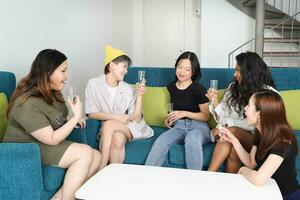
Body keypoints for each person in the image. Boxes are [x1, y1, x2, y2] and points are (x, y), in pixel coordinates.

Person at [3, 49, 101, 200]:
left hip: (42, 143)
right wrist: (75, 118)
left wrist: (72, 119)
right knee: (85, 153)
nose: (66, 76)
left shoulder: (53, 93)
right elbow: (52, 138)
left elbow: (57, 121)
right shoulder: (27, 102)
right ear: (48, 72)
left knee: (97, 156)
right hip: (25, 150)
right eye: (63, 71)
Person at [220, 90, 300, 200]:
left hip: (284, 196)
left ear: (259, 114)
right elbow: (251, 163)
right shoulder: (260, 133)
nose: (245, 108)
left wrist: (242, 170)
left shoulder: (282, 143)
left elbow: (259, 179)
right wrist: (234, 140)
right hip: (266, 192)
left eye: (249, 105)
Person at [85, 45, 154, 170]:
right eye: (124, 66)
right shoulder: (93, 84)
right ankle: (114, 177)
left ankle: (101, 169)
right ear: (111, 65)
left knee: (109, 125)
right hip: (112, 130)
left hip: (131, 126)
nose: (126, 71)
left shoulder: (128, 88)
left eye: (127, 67)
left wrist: (139, 96)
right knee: (117, 138)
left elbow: (137, 119)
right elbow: (91, 113)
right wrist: (116, 117)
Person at [207, 51, 276, 173]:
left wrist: (226, 127)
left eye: (238, 71)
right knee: (234, 150)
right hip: (237, 139)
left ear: (250, 73)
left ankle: (209, 174)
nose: (235, 74)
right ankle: (233, 188)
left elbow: (261, 126)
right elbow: (224, 118)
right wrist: (215, 103)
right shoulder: (233, 89)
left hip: (259, 141)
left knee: (231, 130)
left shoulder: (268, 95)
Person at [145, 51, 210, 170]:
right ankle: (147, 176)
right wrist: (168, 120)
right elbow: (173, 111)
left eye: (187, 69)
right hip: (179, 127)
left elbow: (206, 116)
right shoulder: (171, 87)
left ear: (193, 72)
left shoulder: (199, 89)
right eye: (179, 67)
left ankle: (194, 182)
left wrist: (185, 113)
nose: (182, 71)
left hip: (198, 127)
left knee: (192, 137)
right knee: (162, 140)